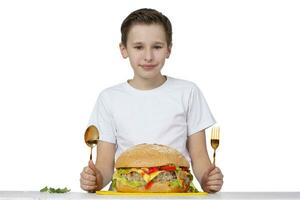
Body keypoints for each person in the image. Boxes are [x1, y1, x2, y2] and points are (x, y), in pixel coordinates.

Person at [80, 8, 223, 193]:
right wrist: (95, 179)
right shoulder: (109, 98)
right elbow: (105, 166)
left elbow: (200, 157)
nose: (148, 56)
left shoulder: (188, 92)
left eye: (157, 47)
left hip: (178, 193)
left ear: (169, 49)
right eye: (138, 47)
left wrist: (207, 178)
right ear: (124, 50)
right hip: (125, 194)